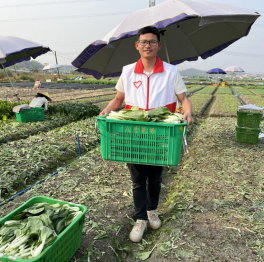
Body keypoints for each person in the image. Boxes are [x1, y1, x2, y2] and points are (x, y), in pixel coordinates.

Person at [99, 26, 192, 243]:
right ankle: (140, 218)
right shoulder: (128, 71)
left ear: (159, 45)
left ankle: (152, 210)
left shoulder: (171, 71)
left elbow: (184, 99)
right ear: (137, 46)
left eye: (152, 42)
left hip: (160, 133)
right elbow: (118, 99)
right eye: (143, 41)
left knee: (156, 177)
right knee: (138, 179)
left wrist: (188, 111)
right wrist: (106, 110)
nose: (147, 45)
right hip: (133, 133)